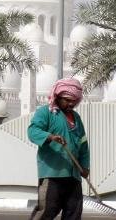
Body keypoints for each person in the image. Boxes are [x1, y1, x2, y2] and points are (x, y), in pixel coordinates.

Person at [27, 78, 90, 220]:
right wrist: (50, 137)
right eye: (67, 100)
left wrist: (85, 167)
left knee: (73, 214)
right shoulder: (45, 112)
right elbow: (32, 131)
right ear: (57, 96)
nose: (71, 103)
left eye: (73, 100)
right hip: (52, 175)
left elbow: (84, 145)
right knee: (46, 212)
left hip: (74, 176)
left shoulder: (76, 118)